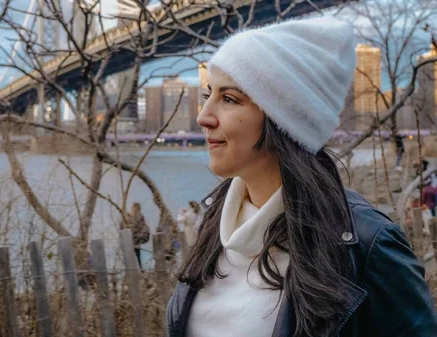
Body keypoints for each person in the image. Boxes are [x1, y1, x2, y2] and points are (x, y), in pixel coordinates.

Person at [165, 17, 437, 337]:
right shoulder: (214, 224)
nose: (203, 117)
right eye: (209, 94)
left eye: (229, 99)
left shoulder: (365, 245)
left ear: (284, 118)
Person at [126, 202, 150, 269]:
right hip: (130, 239)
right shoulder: (128, 216)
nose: (134, 210)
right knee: (132, 257)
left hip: (136, 239)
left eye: (136, 209)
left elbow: (142, 227)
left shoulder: (140, 217)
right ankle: (138, 270)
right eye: (134, 208)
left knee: (137, 256)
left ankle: (140, 270)